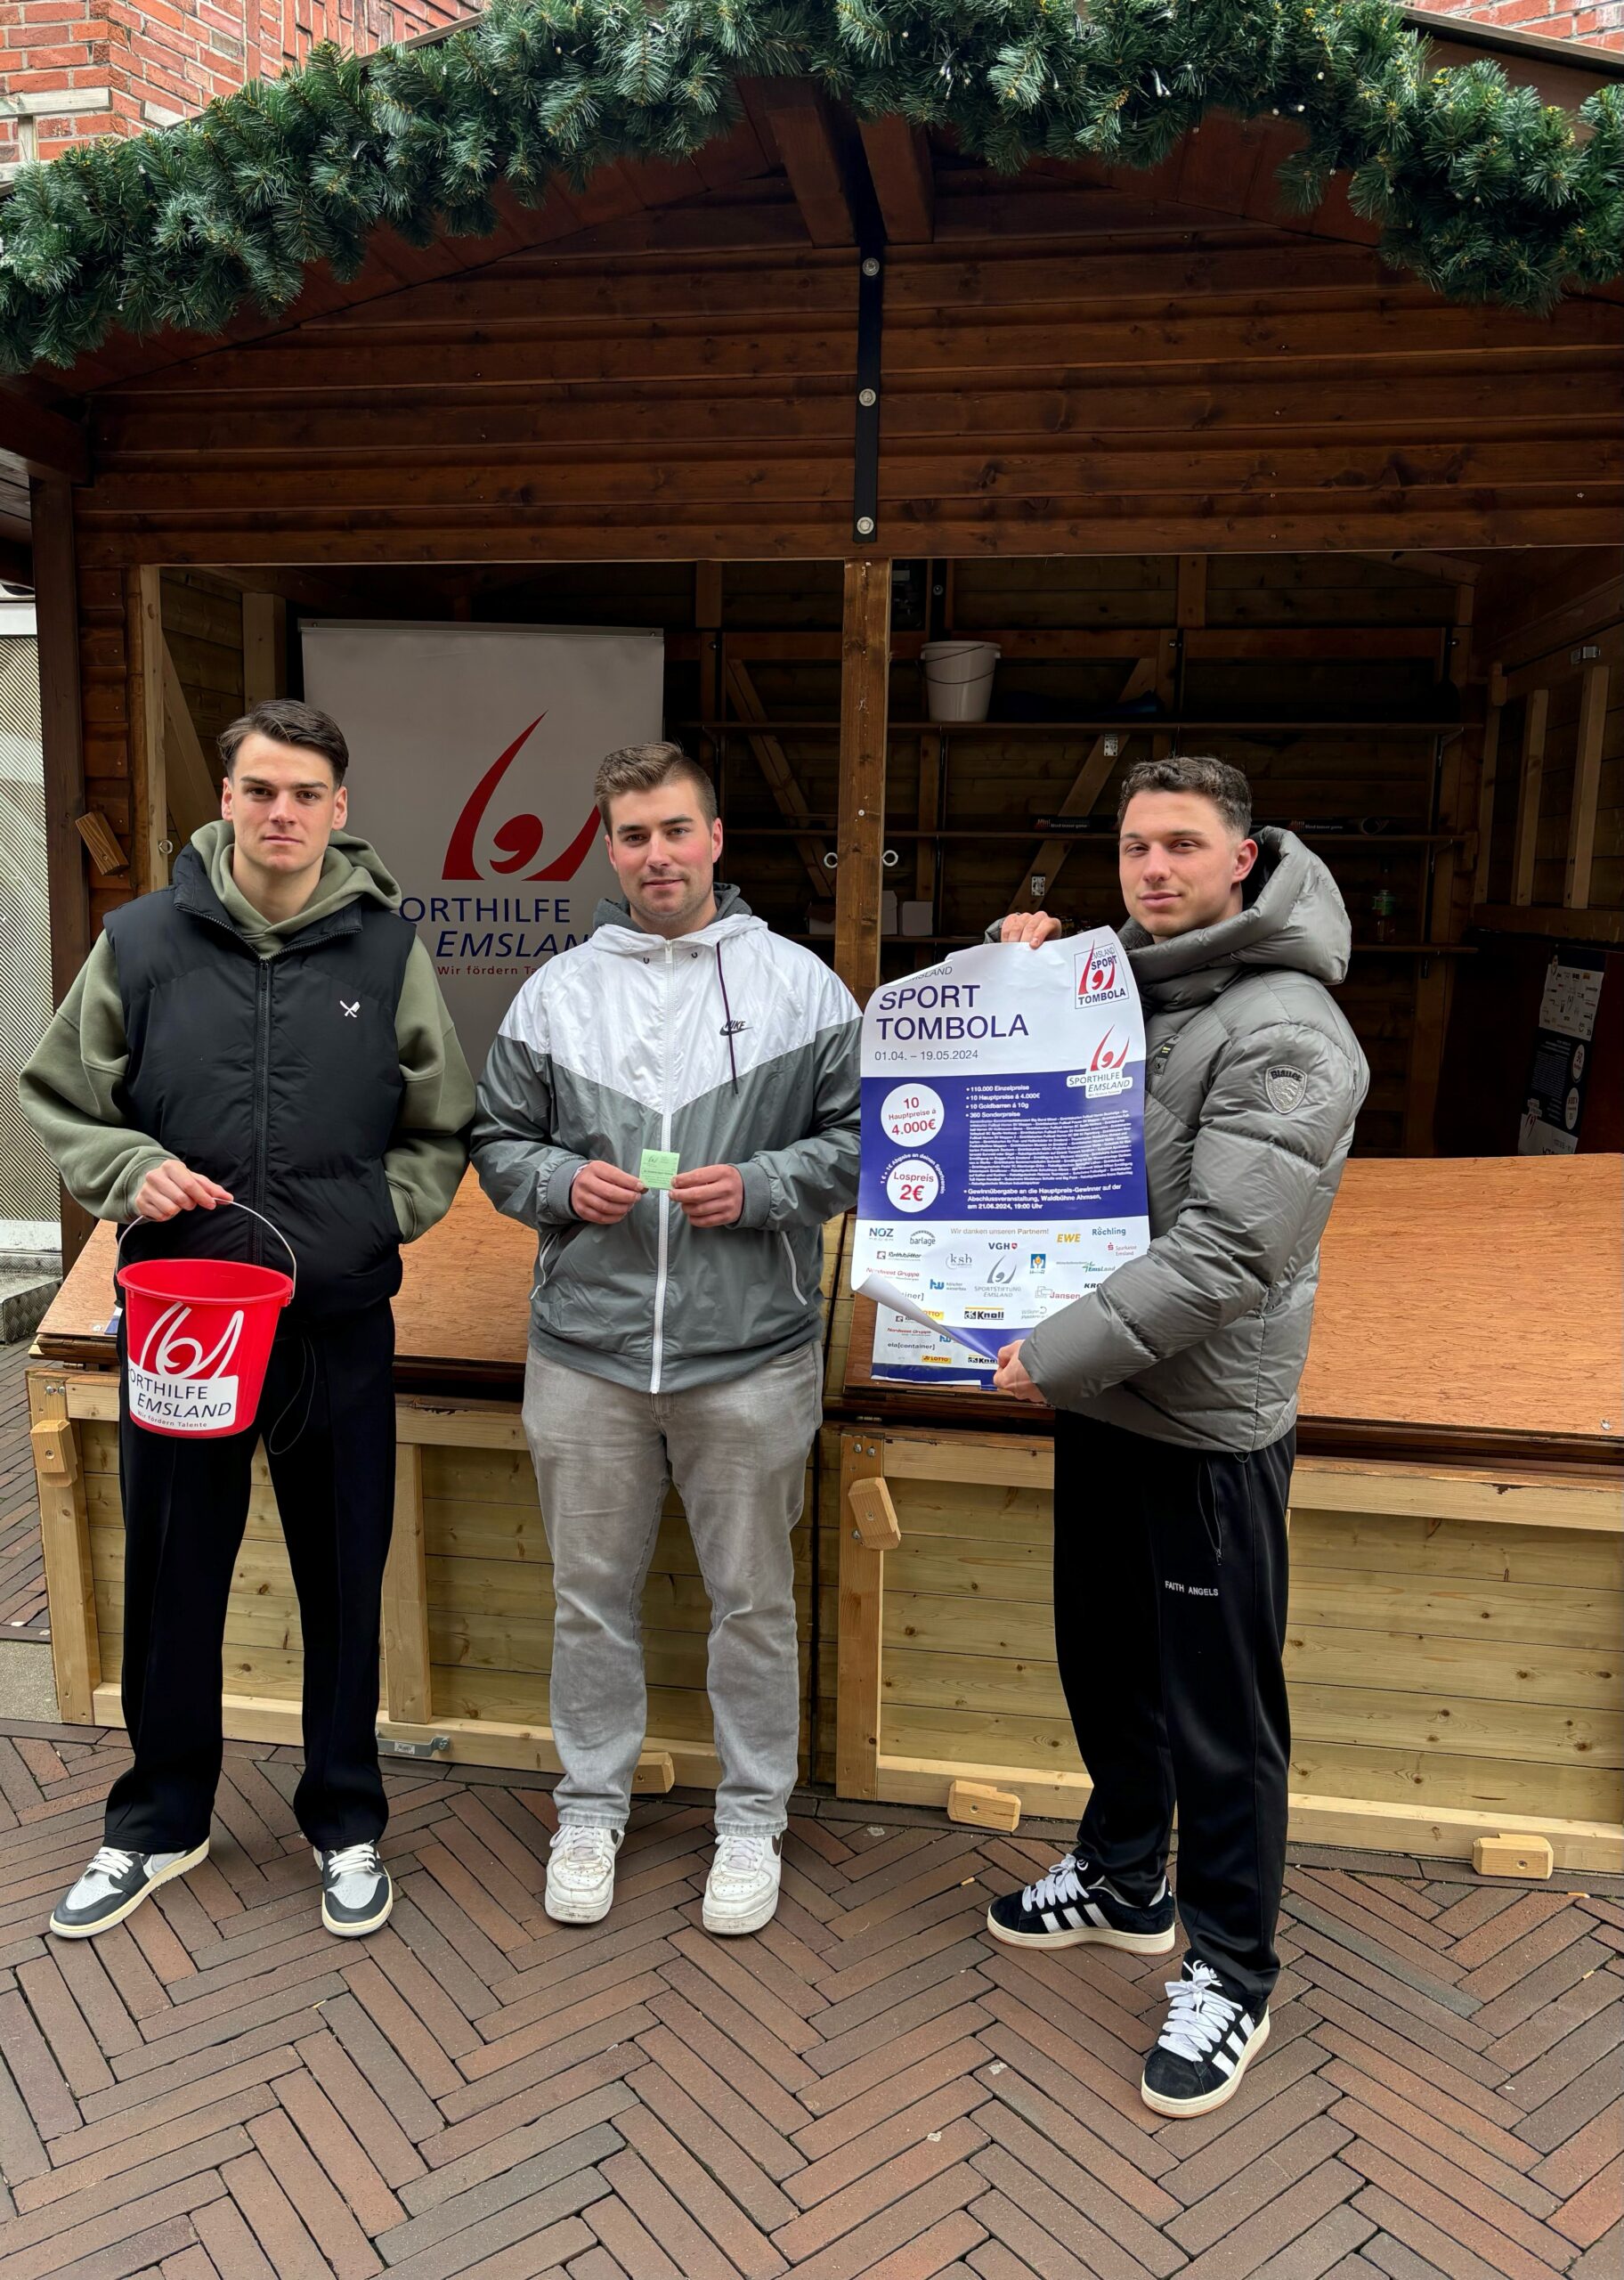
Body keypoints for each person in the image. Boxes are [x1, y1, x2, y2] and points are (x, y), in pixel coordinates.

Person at [22, 699, 473, 1941]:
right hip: (181, 1326)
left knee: (343, 1572)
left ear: (339, 810)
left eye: (307, 794)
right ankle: (159, 1818)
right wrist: (125, 1171)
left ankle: (345, 1819)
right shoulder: (141, 942)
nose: (283, 814)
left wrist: (375, 1224)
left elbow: (442, 1124)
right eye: (261, 790)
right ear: (225, 798)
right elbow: (61, 1093)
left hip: (333, 1322)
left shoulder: (387, 953)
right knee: (173, 1575)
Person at [987, 754, 1368, 2119]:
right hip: (1103, 1400)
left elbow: (1227, 1255)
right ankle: (1122, 1872)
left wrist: (1053, 1349)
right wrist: (1009, 972)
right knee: (1107, 1658)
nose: (1153, 869)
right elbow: (1020, 1106)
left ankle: (1232, 1969)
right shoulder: (1138, 984)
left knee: (1220, 1711)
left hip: (1203, 1417)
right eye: (1137, 847)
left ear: (1244, 860)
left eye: (1183, 847)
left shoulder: (1287, 1027)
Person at [472, 742, 859, 1936]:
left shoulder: (802, 988)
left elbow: (868, 1141)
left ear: (715, 838)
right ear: (608, 845)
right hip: (585, 1353)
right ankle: (590, 1806)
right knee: (589, 1597)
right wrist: (552, 1181)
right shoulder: (556, 993)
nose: (657, 855)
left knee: (752, 1600)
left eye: (676, 830)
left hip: (751, 1353)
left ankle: (753, 1820)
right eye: (634, 835)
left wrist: (764, 1183)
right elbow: (494, 1140)